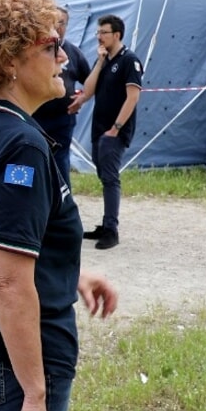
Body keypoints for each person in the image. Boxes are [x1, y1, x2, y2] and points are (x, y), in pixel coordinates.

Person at [0, 0, 118, 411]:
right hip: (11, 365)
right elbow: (6, 280)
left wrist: (67, 273)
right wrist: (35, 396)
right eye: (52, 45)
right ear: (10, 62)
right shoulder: (20, 145)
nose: (64, 57)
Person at [77, 14, 142, 250]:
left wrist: (116, 128)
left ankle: (111, 230)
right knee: (103, 176)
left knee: (111, 178)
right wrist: (100, 62)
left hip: (114, 131)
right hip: (99, 129)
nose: (99, 37)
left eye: (104, 32)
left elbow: (133, 97)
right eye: (98, 33)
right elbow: (89, 90)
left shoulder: (129, 60)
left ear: (117, 35)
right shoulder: (104, 60)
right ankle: (105, 224)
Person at [31, 6, 91, 181]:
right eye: (53, 22)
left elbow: (90, 80)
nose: (57, 26)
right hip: (36, 116)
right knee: (34, 159)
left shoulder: (72, 53)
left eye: (61, 23)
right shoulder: (36, 51)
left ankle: (63, 202)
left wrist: (82, 98)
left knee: (60, 162)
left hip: (62, 118)